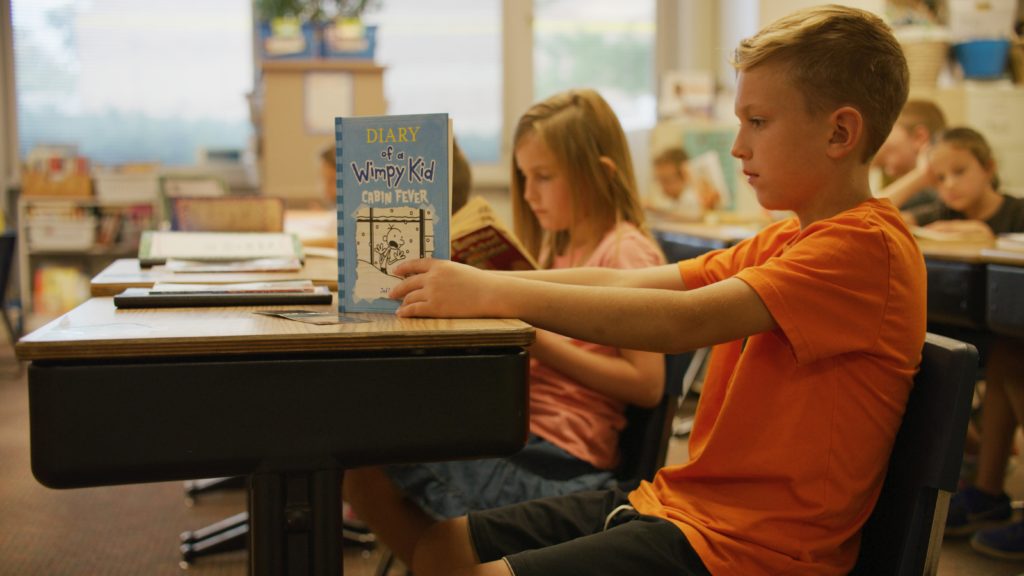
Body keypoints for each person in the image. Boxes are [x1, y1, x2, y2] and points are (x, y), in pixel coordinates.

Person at [389, 6, 925, 575]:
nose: (737, 146)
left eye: (758, 122)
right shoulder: (787, 239)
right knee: (440, 546)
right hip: (687, 510)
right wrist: (490, 283)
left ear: (839, 132)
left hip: (755, 550)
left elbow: (681, 321)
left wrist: (495, 295)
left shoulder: (864, 248)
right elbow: (628, 281)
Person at [342, 88, 666, 567]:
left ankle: (453, 563)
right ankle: (451, 563)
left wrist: (532, 335)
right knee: (360, 449)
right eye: (523, 176)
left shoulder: (626, 254)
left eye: (544, 177)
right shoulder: (562, 248)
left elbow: (648, 385)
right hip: (520, 428)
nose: (529, 193)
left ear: (601, 174)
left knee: (361, 452)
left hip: (561, 460)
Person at [921, 128, 1024, 560]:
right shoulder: (940, 215)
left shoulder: (1017, 214)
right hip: (989, 334)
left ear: (990, 168)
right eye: (937, 177)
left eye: (959, 172)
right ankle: (985, 490)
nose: (949, 186)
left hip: (1010, 326)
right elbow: (879, 216)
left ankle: (985, 487)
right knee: (1000, 356)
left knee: (1012, 357)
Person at [873, 99, 947, 210]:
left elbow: (869, 213)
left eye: (889, 154)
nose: (890, 172)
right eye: (884, 167)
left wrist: (922, 174)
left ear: (919, 137)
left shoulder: (936, 195)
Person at [646, 147, 722, 220]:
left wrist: (655, 210)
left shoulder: (692, 198)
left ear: (684, 175)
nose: (662, 187)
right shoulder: (672, 201)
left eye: (666, 180)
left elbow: (695, 215)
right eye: (659, 181)